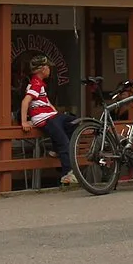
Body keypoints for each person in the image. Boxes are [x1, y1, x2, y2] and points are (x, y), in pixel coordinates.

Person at [19, 55, 78, 186]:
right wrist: (24, 121)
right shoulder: (35, 84)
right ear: (42, 69)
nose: (50, 69)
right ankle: (67, 174)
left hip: (51, 115)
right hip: (45, 118)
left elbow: (46, 102)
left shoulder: (39, 84)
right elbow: (25, 102)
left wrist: (55, 112)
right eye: (48, 67)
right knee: (64, 142)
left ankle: (56, 149)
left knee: (73, 122)